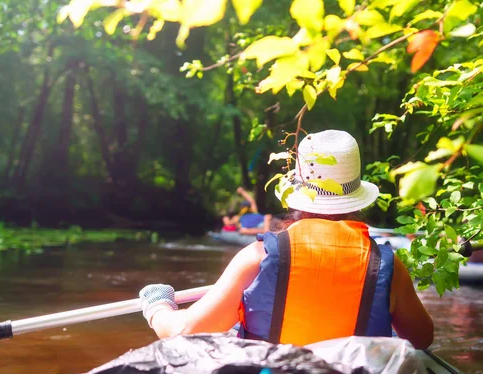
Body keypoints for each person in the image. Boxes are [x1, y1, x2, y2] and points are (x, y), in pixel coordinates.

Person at [140, 130, 434, 349]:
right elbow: (422, 338)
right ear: (355, 199)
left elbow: (185, 332)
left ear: (298, 194)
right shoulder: (387, 265)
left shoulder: (258, 256)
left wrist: (157, 307)